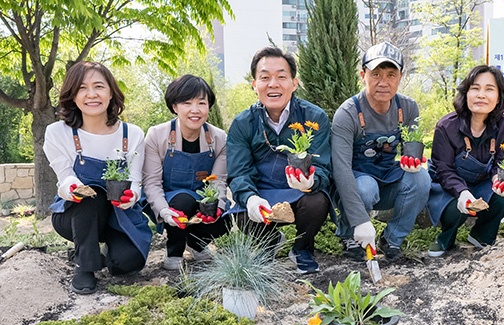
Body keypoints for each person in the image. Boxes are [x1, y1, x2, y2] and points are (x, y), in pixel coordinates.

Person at [44, 61, 151, 295]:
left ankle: (97, 252)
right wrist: (72, 188)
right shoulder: (57, 133)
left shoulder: (131, 134)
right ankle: (85, 266)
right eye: (82, 88)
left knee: (129, 262)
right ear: (72, 96)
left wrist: (131, 196)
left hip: (118, 216)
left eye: (99, 87)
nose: (91, 94)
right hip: (75, 215)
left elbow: (135, 181)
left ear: (111, 92)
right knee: (92, 194)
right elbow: (64, 178)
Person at [226, 46, 332, 275]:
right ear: (254, 85)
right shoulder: (243, 123)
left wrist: (311, 181)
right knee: (242, 212)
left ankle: (302, 248)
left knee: (317, 202)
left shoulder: (314, 117)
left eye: (281, 77)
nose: (273, 84)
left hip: (300, 194)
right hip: (262, 193)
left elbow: (323, 167)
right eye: (264, 77)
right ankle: (270, 240)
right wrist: (251, 198)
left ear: (294, 83)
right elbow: (238, 173)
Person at [331, 42, 430, 263]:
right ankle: (349, 236)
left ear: (400, 77)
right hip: (357, 181)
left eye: (391, 75)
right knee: (366, 188)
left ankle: (392, 239)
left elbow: (411, 149)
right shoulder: (347, 114)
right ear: (362, 75)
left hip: (387, 176)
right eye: (376, 74)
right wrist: (360, 221)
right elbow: (341, 169)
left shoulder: (408, 108)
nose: (383, 82)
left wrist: (412, 160)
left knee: (421, 177)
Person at [427, 65, 504, 257]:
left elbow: (502, 164)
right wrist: (462, 192)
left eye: (489, 89)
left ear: (500, 97)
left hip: (483, 184)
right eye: (475, 88)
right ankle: (446, 237)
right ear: (466, 93)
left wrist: (497, 181)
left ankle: (482, 235)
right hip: (448, 188)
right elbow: (444, 170)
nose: (481, 95)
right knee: (457, 209)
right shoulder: (446, 126)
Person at [142, 75, 229, 270]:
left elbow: (219, 181)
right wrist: (164, 212)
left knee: (224, 219)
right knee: (183, 201)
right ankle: (174, 251)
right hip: (167, 199)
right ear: (175, 106)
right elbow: (151, 182)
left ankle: (196, 244)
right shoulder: (157, 135)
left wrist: (218, 207)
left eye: (201, 103)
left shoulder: (219, 138)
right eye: (187, 103)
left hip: (201, 198)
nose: (195, 110)